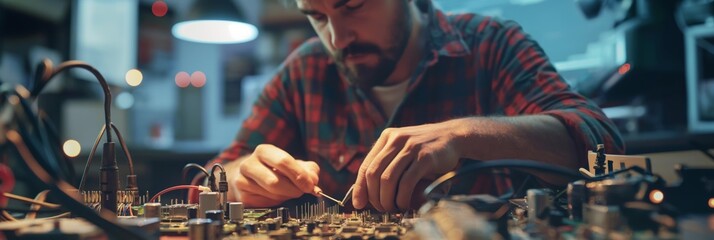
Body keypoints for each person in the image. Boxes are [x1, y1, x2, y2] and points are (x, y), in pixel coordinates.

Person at [208, 0, 624, 212]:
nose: (337, 38)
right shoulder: (305, 71)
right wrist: (243, 178)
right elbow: (214, 177)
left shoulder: (491, 45)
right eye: (317, 15)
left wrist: (465, 135)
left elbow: (601, 141)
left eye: (353, 5)